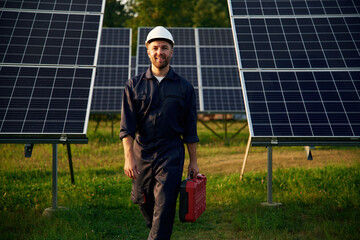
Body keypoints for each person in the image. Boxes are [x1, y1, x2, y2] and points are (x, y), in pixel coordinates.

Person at [120, 26, 200, 240]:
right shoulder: (133, 86)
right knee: (143, 201)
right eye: (155, 48)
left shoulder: (184, 88)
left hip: (171, 152)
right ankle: (158, 230)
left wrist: (193, 162)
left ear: (171, 52)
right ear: (148, 51)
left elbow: (190, 130)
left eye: (165, 48)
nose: (160, 52)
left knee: (164, 205)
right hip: (142, 153)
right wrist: (129, 158)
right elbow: (126, 128)